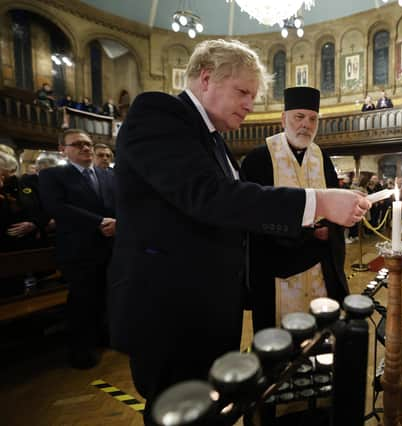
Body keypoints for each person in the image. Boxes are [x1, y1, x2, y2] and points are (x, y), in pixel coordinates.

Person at [106, 39, 370, 423]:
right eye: (242, 92)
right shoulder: (158, 113)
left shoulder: (214, 141)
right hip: (171, 309)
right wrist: (321, 204)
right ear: (206, 78)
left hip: (207, 310)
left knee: (205, 408)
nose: (249, 104)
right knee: (177, 409)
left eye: (253, 94)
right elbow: (212, 197)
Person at [241, 86, 349, 333]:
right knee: (280, 350)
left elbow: (335, 206)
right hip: (277, 272)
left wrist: (333, 225)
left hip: (320, 271)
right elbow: (253, 219)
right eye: (299, 117)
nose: (306, 125)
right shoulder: (259, 159)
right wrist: (308, 234)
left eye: (313, 119)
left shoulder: (322, 158)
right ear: (283, 119)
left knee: (320, 339)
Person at [39, 129, 116, 369]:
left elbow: (119, 203)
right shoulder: (53, 175)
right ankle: (82, 349)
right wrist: (98, 222)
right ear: (63, 149)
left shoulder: (106, 175)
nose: (86, 148)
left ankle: (104, 338)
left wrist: (117, 222)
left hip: (110, 245)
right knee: (83, 301)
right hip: (78, 249)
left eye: (88, 144)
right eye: (78, 144)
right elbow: (56, 207)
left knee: (106, 297)